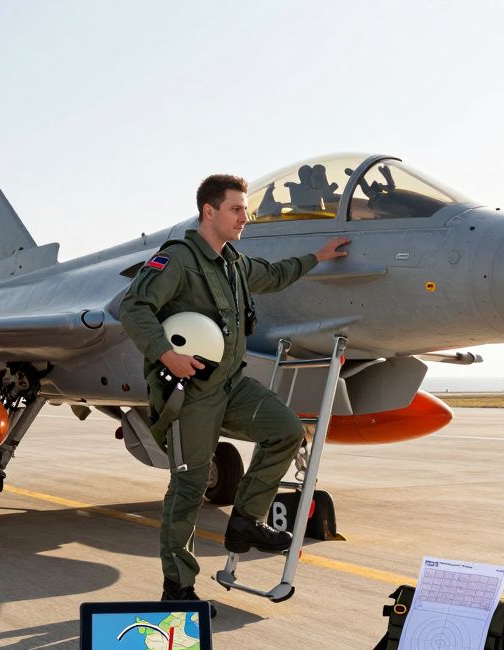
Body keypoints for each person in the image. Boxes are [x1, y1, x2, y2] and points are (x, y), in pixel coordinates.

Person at [120, 174, 349, 608]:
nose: (245, 217)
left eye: (245, 209)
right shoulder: (179, 260)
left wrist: (317, 256)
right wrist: (167, 356)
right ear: (210, 212)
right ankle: (178, 587)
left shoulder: (234, 263)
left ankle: (244, 521)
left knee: (285, 430)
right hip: (192, 393)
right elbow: (134, 306)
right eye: (236, 209)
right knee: (188, 488)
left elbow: (276, 274)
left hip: (231, 383)